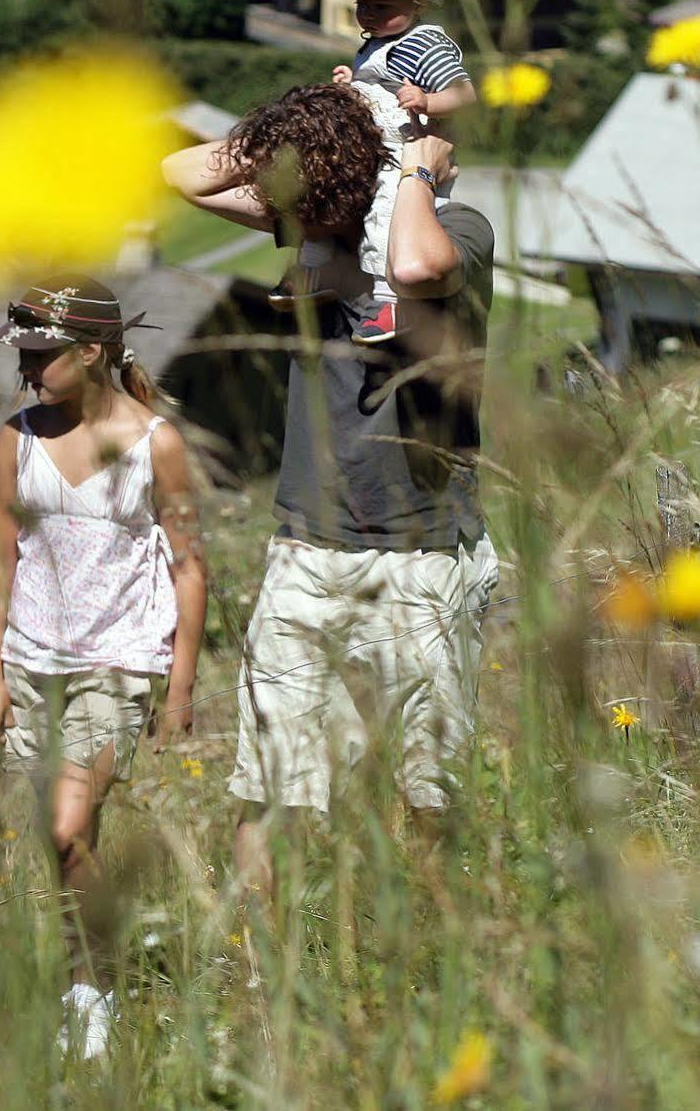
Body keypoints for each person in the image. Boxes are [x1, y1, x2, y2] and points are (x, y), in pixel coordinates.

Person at [162, 83, 495, 899]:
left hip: (421, 556)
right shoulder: (312, 233)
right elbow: (178, 172)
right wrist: (302, 126)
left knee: (427, 789)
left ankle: (425, 954)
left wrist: (410, 170)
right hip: (306, 548)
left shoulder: (459, 231)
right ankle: (259, 968)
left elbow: (415, 267)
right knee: (269, 787)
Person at [0, 277, 205, 1061]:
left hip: (117, 662)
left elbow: (188, 567)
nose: (27, 370)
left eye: (41, 355)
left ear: (92, 353)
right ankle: (83, 980)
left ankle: (98, 992)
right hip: (30, 662)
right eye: (24, 355)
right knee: (65, 841)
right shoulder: (18, 438)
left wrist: (179, 690)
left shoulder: (154, 444)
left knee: (68, 829)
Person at [271, 0, 478, 347]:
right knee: (318, 186)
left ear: (417, 4)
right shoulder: (376, 44)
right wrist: (352, 83)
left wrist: (427, 99)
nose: (368, 15)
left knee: (386, 214)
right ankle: (313, 268)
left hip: (406, 154)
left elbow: (465, 95)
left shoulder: (426, 44)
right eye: (361, 5)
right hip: (367, 145)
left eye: (381, 6)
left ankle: (391, 303)